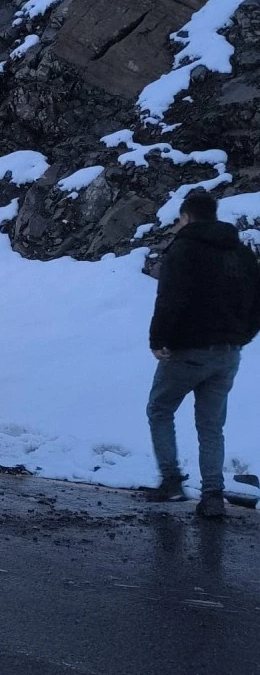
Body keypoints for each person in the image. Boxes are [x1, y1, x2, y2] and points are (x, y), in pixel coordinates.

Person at [146, 192, 260, 518]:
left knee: (160, 408)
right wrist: (241, 338)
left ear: (187, 216)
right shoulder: (240, 252)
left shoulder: (183, 250)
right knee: (211, 426)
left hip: (187, 352)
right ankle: (212, 495)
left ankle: (171, 482)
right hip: (228, 354)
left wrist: (158, 340)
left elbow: (170, 300)